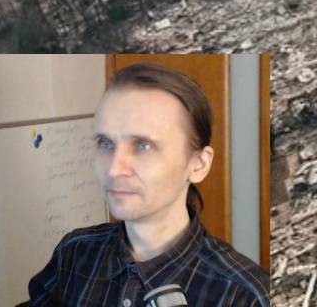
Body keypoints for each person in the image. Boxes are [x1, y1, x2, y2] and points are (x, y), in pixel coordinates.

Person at [27, 62, 269, 306]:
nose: (114, 168)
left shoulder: (244, 296)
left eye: (143, 146)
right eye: (105, 143)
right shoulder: (73, 255)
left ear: (198, 164)